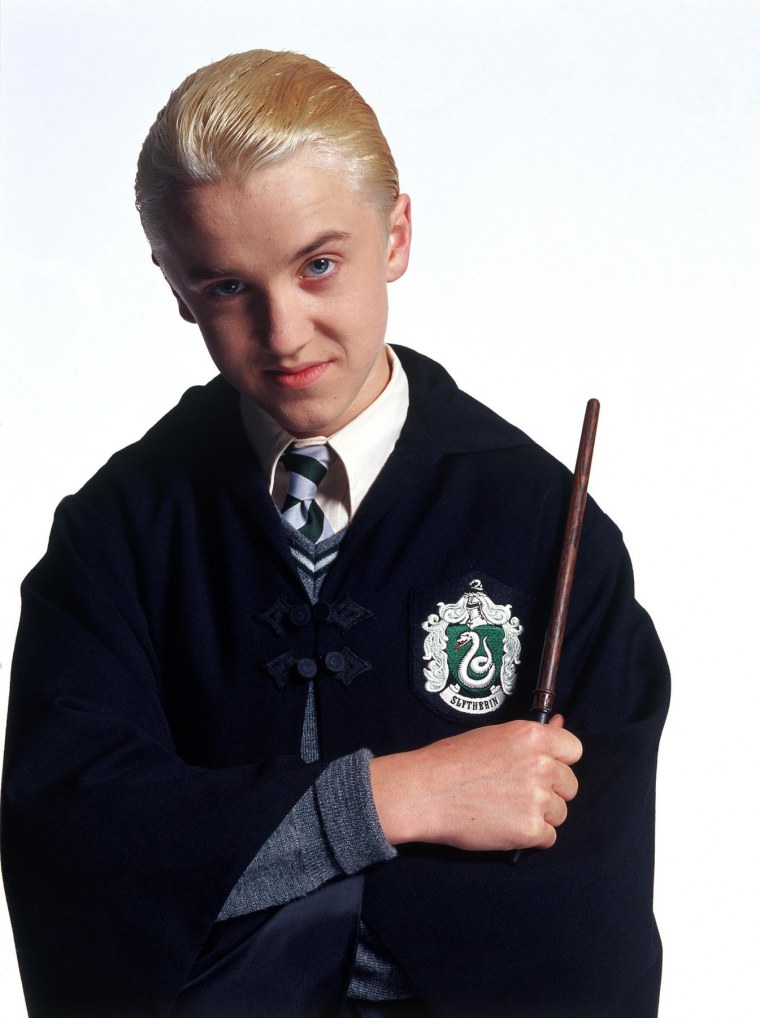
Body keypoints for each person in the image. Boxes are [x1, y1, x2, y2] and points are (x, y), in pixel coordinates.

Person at [1, 50, 669, 1018]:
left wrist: (238, 846)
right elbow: (76, 833)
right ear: (175, 284)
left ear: (394, 235)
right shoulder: (118, 532)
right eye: (227, 286)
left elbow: (590, 907)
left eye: (319, 264)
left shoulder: (541, 519)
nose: (284, 332)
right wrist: (396, 798)